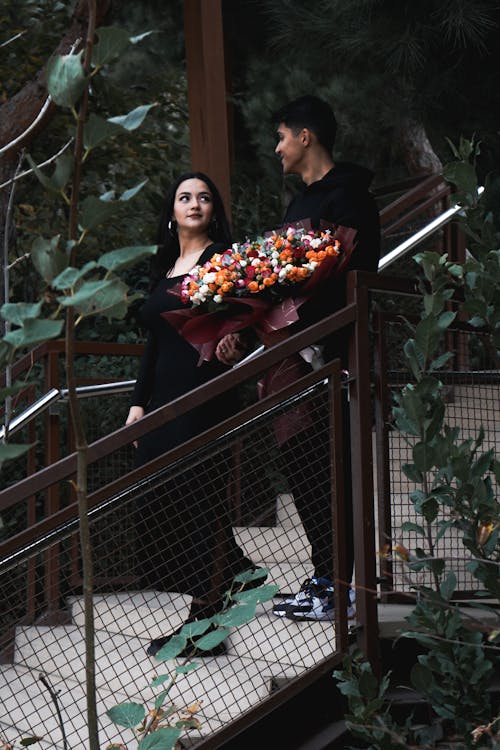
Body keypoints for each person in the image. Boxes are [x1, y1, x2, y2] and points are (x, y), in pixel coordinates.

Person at [217, 95, 381, 621]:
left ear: (306, 137)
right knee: (305, 471)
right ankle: (323, 578)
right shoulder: (298, 205)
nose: (276, 146)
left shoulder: (351, 199)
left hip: (331, 358)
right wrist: (248, 324)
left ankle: (342, 586)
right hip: (291, 356)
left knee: (331, 473)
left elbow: (349, 277)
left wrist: (306, 333)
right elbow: (278, 277)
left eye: (282, 136)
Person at [126, 172, 258, 657]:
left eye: (204, 197)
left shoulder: (221, 259)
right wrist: (138, 404)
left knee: (197, 495)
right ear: (172, 212)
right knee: (159, 497)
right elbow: (153, 344)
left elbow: (252, 316)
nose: (195, 203)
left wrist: (238, 342)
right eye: (185, 197)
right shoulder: (167, 267)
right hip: (162, 401)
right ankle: (236, 572)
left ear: (214, 209)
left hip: (206, 394)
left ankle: (208, 622)